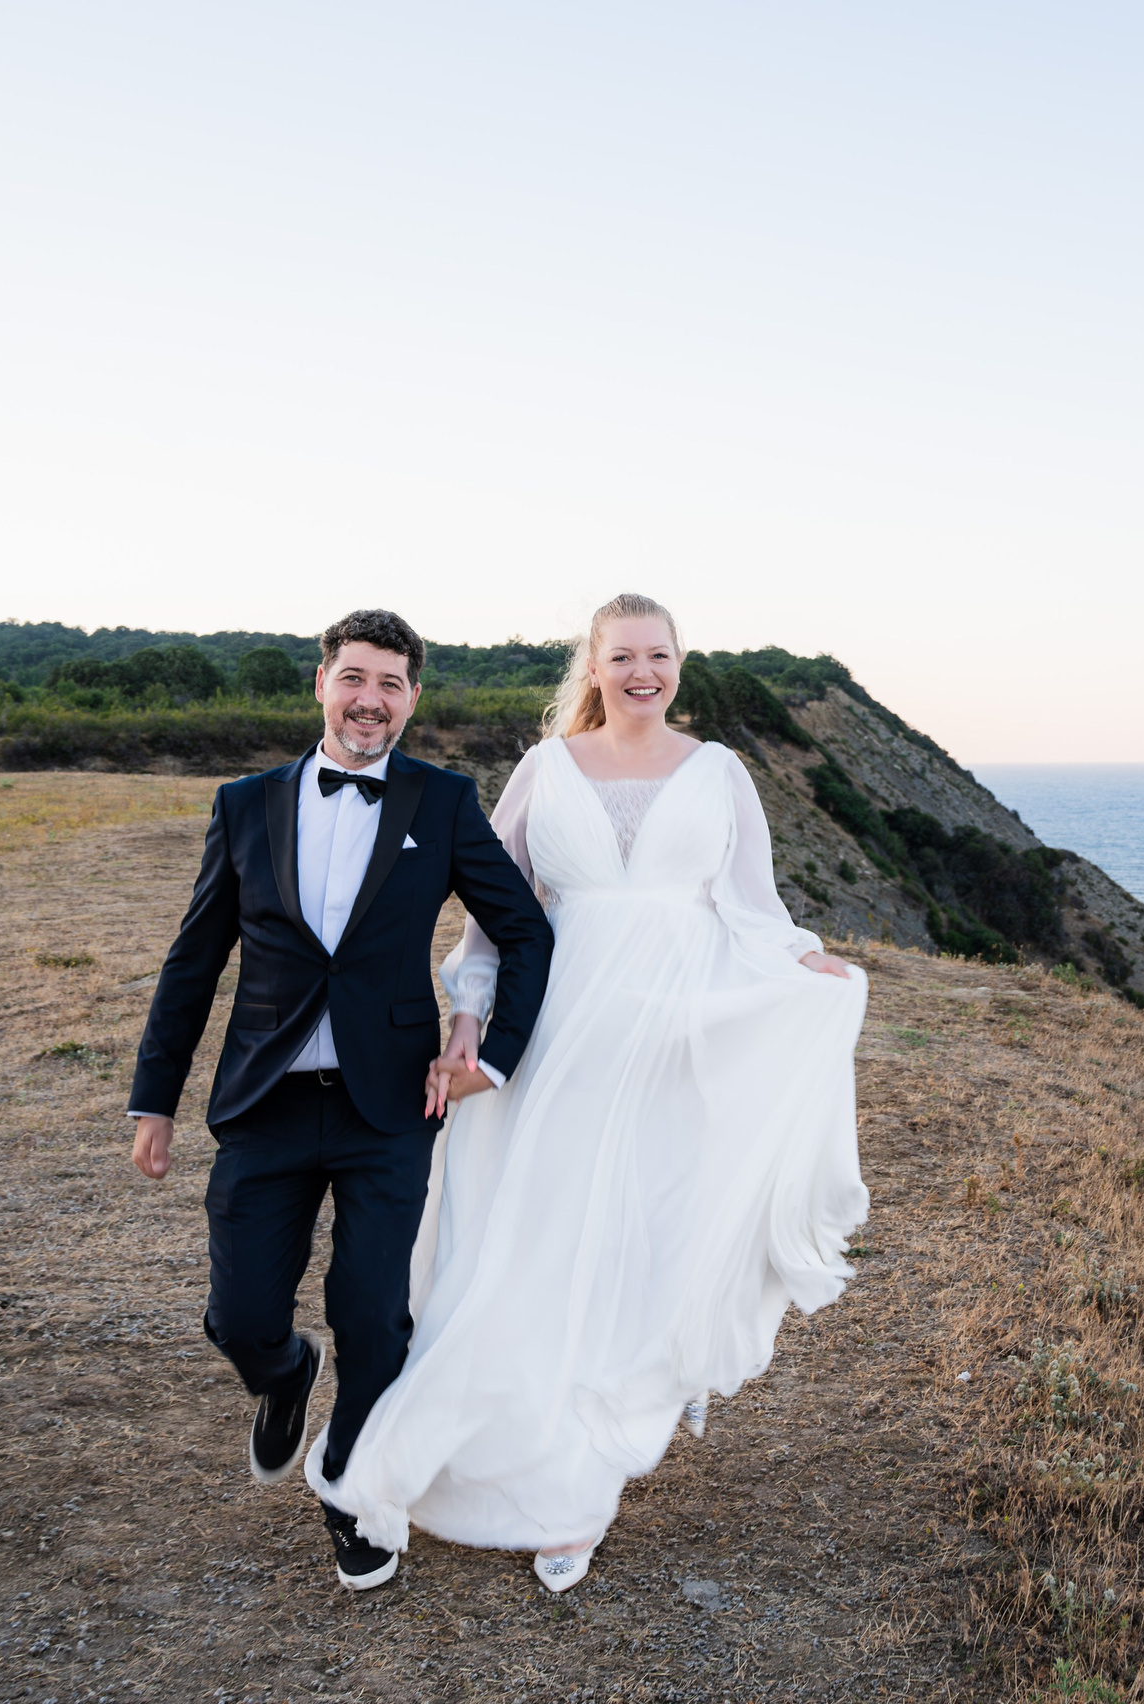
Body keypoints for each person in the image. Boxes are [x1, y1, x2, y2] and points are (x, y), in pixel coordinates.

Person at [309, 592, 868, 1593]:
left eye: (659, 656)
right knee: (529, 1250)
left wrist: (804, 962)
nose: (642, 673)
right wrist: (470, 1017)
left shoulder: (721, 772)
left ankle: (579, 1489)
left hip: (666, 1043)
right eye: (623, 657)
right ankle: (481, 1450)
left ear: (679, 665)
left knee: (630, 1250)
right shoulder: (546, 769)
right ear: (595, 666)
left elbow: (751, 908)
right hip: (556, 1036)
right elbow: (495, 911)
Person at [125, 609, 554, 1592]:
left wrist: (494, 1055)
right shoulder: (245, 804)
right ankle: (285, 1377)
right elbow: (194, 962)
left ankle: (354, 1494)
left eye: (391, 683)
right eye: (354, 677)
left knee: (372, 1316)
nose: (370, 700)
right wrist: (155, 1100)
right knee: (240, 1316)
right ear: (321, 683)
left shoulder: (443, 801)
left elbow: (524, 929)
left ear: (413, 699)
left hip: (390, 1106)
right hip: (265, 1101)